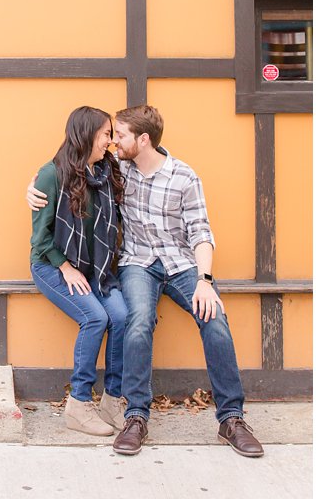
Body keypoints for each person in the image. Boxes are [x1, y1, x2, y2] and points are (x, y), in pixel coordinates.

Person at [27, 105, 263, 458]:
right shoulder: (116, 167)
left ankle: (231, 419)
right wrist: (30, 186)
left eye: (119, 135)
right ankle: (135, 416)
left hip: (181, 264)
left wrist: (205, 279)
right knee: (136, 321)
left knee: (214, 319)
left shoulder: (180, 176)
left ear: (143, 139)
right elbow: (63, 173)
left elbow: (201, 231)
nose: (113, 142)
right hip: (137, 263)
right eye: (110, 135)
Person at [28, 106, 128, 437]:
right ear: (86, 134)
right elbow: (41, 241)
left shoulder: (105, 171)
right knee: (95, 318)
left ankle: (113, 399)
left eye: (112, 135)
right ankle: (79, 403)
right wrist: (66, 267)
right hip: (51, 264)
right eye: (106, 134)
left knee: (121, 316)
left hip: (94, 269)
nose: (111, 142)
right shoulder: (51, 174)